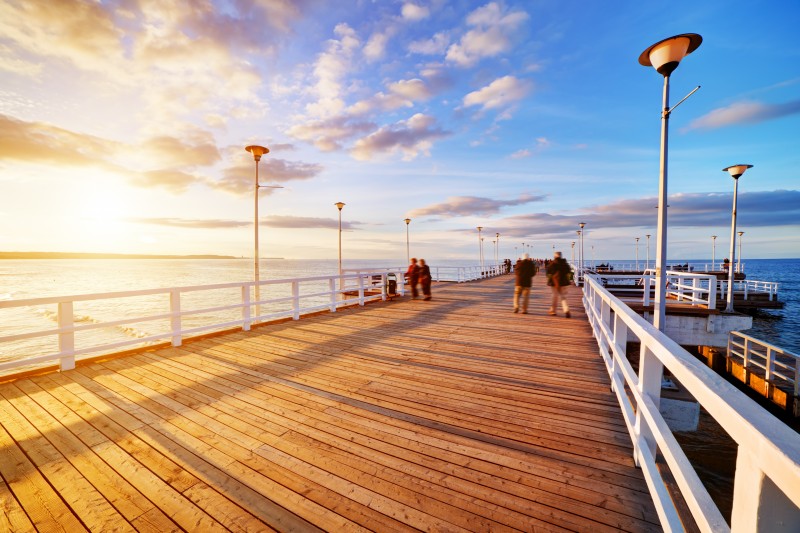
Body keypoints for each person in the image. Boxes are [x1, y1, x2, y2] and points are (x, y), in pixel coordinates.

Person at [546, 251, 571, 318]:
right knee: (563, 297)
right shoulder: (565, 263)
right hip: (564, 283)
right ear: (561, 256)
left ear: (555, 256)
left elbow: (548, 271)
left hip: (555, 283)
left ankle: (553, 311)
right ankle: (566, 310)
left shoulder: (553, 263)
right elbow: (569, 270)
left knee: (554, 296)